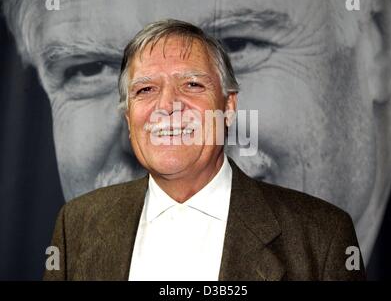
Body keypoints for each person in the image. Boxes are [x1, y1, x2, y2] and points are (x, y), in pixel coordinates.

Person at [1, 0, 391, 265]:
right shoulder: (74, 239)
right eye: (90, 69)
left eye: (234, 47)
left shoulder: (332, 237)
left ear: (380, 38)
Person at [43, 20, 365, 280]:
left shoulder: (322, 237)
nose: (166, 106)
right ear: (129, 118)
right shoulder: (77, 225)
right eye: (145, 89)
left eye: (192, 85)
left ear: (228, 107)